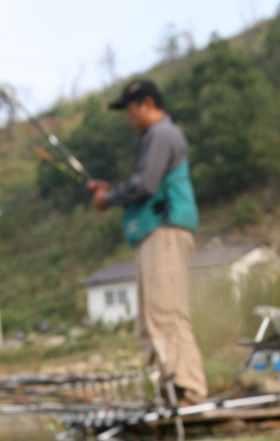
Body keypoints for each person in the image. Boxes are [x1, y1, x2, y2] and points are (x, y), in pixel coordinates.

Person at [87, 78, 207, 406]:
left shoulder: (161, 134)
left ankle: (189, 391)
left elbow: (144, 185)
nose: (128, 117)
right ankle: (169, 391)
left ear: (148, 104)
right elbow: (144, 183)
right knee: (150, 319)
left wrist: (107, 198)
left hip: (165, 232)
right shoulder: (153, 138)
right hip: (153, 234)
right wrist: (111, 192)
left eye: (130, 109)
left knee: (168, 313)